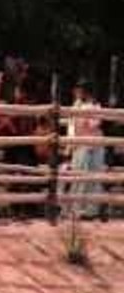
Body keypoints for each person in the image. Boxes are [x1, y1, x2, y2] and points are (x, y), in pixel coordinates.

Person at [64, 79, 105, 220]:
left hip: (94, 143)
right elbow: (72, 126)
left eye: (80, 89)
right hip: (80, 144)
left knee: (94, 176)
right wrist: (69, 147)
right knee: (79, 175)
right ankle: (76, 208)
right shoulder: (76, 105)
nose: (77, 92)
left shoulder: (96, 105)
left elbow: (95, 123)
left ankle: (91, 210)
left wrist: (86, 119)